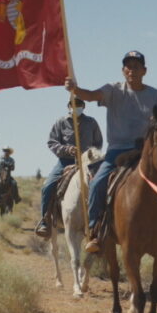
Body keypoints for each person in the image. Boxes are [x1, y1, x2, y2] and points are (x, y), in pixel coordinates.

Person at [64, 50, 157, 253]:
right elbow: (91, 96)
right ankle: (96, 231)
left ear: (144, 70)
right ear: (123, 70)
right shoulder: (114, 90)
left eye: (136, 66)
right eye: (128, 66)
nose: (132, 70)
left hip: (146, 151)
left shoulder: (156, 96)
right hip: (117, 151)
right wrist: (75, 89)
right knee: (98, 182)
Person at [34, 98, 103, 237]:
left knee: (103, 183)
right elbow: (52, 142)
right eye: (73, 104)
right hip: (65, 161)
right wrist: (66, 149)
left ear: (83, 106)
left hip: (88, 163)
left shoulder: (92, 122)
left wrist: (89, 153)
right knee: (47, 185)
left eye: (78, 104)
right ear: (68, 106)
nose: (75, 107)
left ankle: (103, 221)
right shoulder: (60, 122)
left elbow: (98, 142)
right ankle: (45, 221)